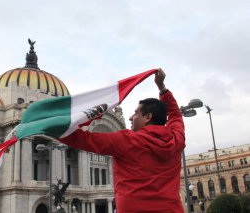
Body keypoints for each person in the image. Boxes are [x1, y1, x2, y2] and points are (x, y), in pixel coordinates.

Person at [60, 68, 184, 213]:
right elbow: (176, 115)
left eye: (136, 113)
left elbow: (84, 140)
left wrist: (51, 127)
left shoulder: (128, 140)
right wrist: (163, 89)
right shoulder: (176, 139)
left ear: (148, 117)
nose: (131, 117)